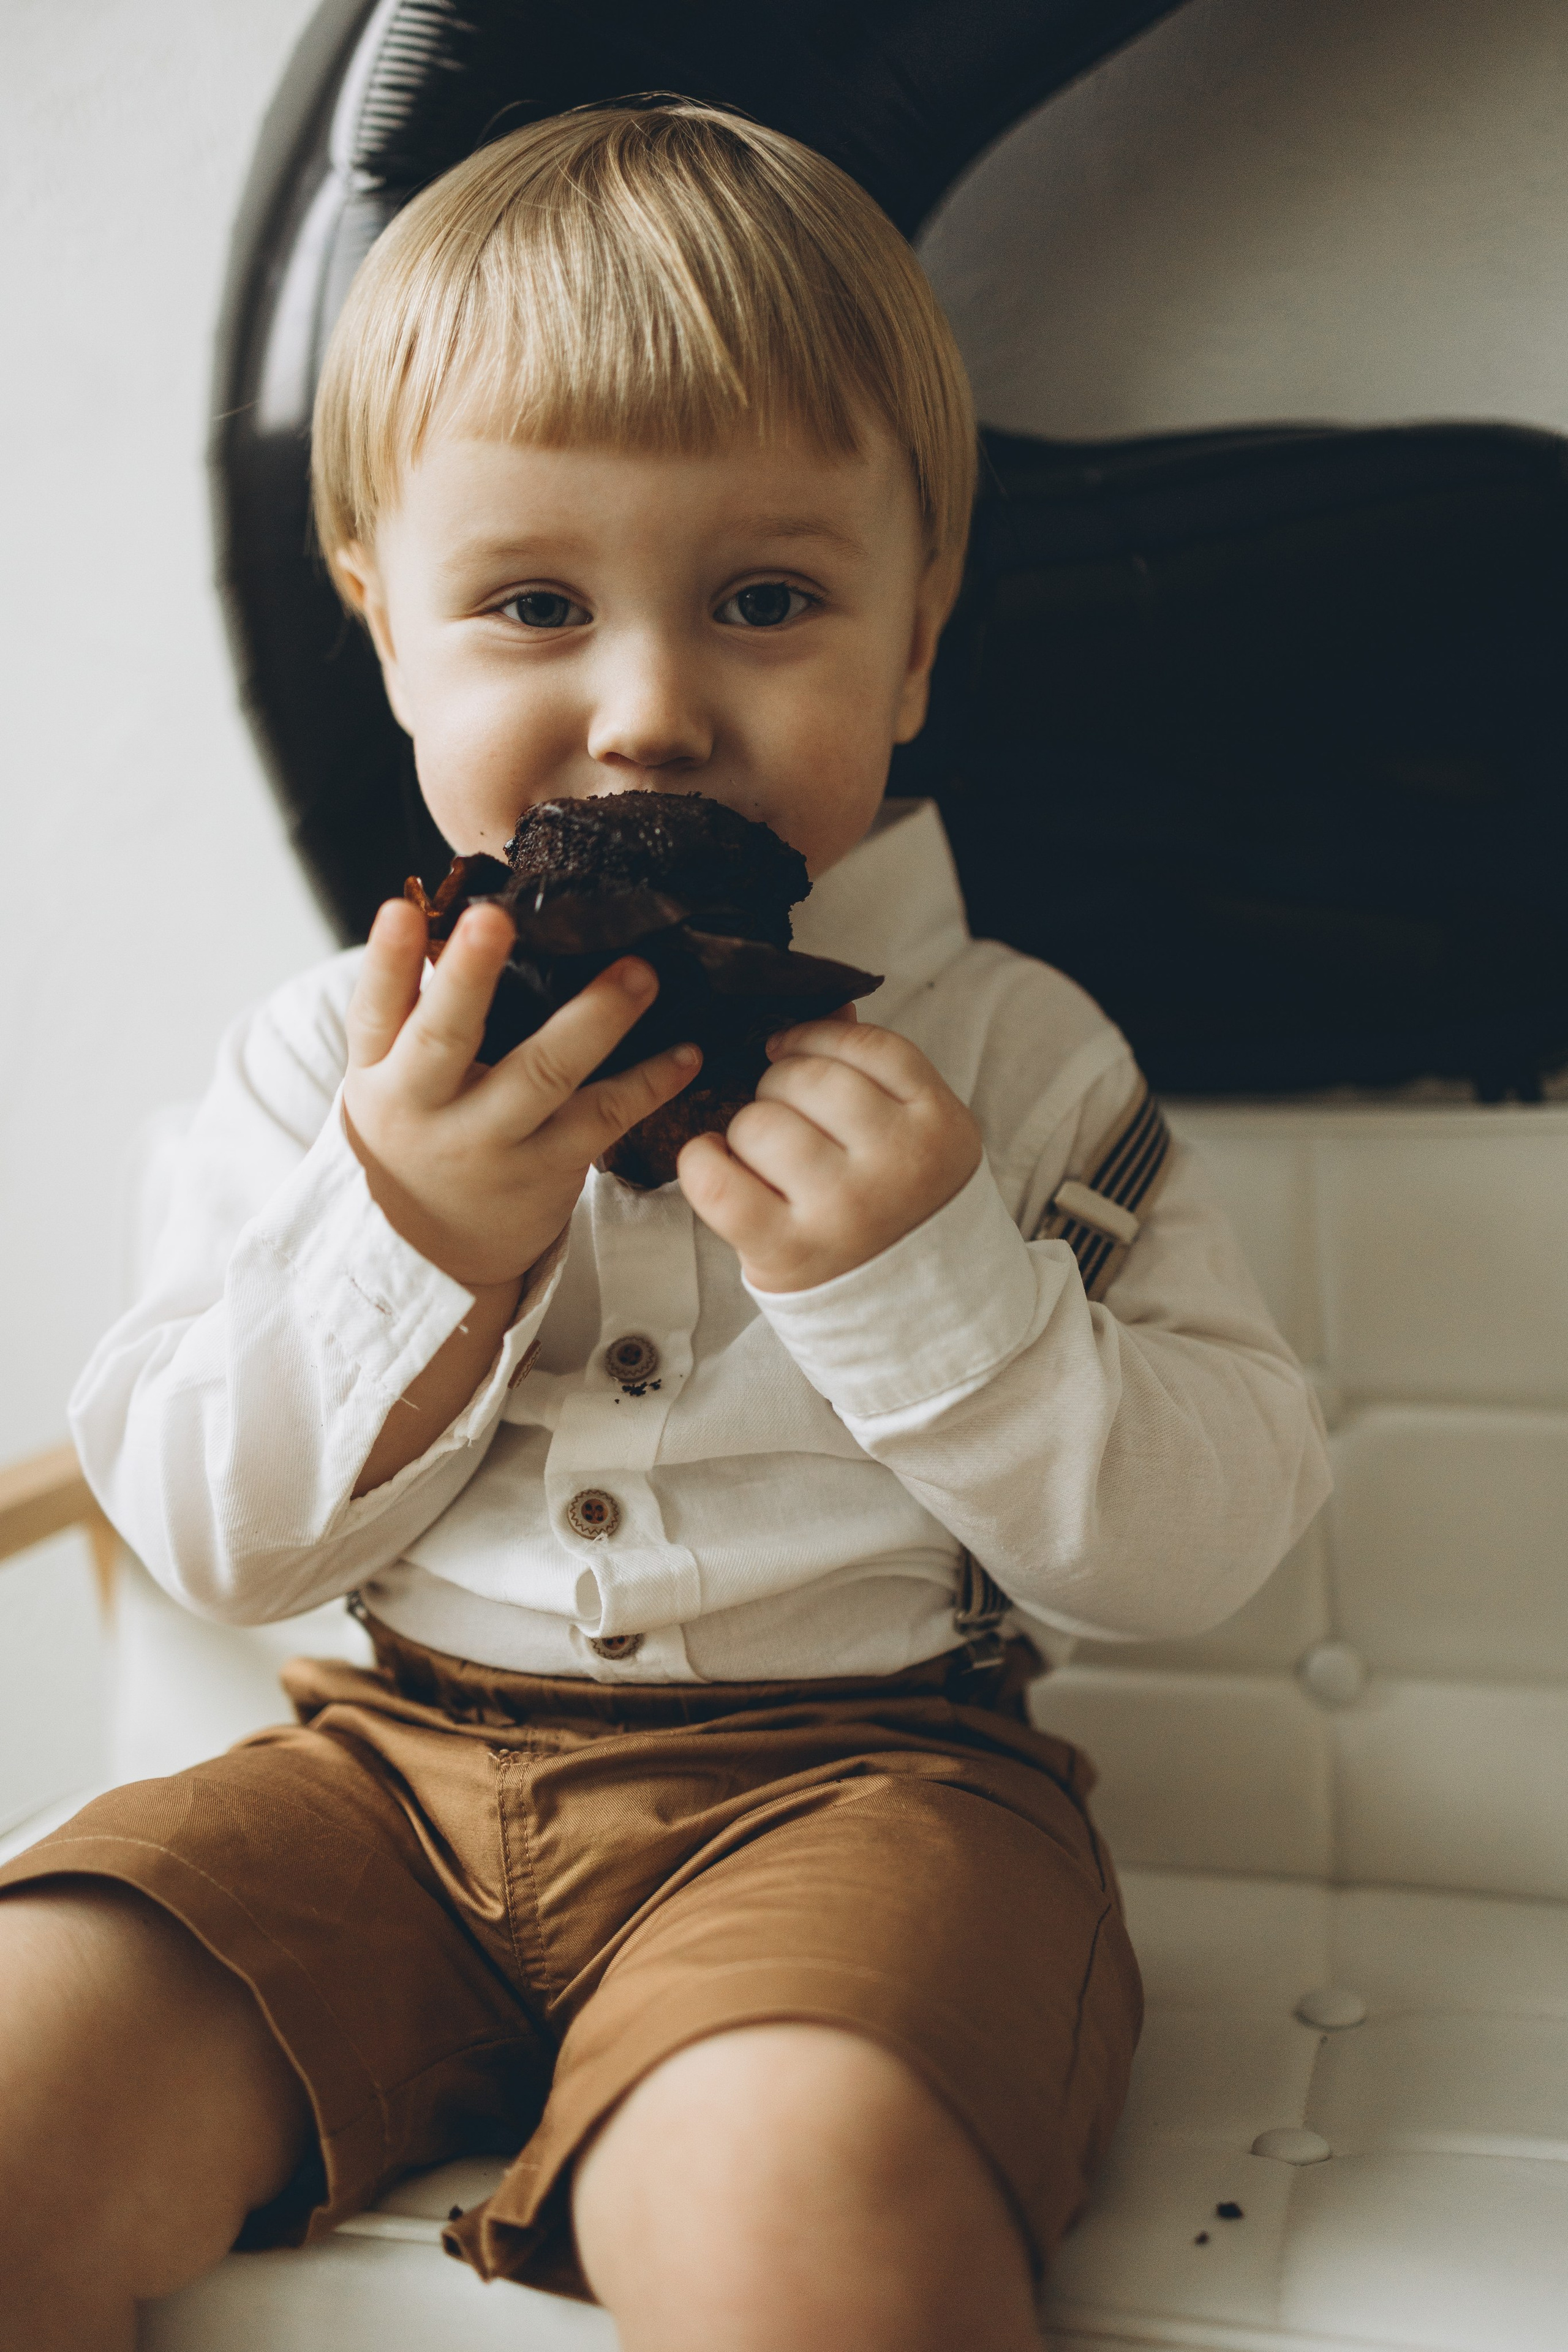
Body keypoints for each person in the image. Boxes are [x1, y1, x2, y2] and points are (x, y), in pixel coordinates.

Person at [0, 100, 1330, 2352]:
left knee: (803, 2204)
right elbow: (213, 1539)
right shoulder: (317, 1066)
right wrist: (402, 1235)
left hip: (869, 1790)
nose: (647, 710)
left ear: (914, 650)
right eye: (533, 604)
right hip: (377, 1777)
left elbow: (1216, 1542)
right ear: (388, 637)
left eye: (768, 602)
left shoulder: (1014, 1065)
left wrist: (934, 1297)